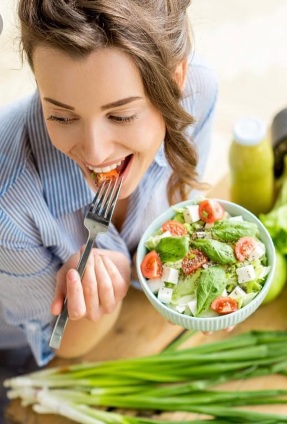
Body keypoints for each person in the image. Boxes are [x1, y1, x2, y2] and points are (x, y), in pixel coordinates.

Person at [0, 0, 218, 411]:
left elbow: (181, 210)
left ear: (176, 81)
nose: (96, 152)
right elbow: (57, 347)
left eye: (121, 116)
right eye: (62, 117)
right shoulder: (8, 206)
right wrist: (96, 303)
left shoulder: (199, 91)